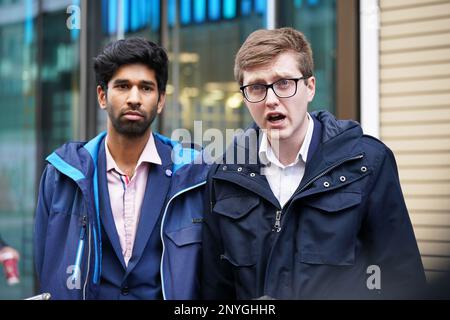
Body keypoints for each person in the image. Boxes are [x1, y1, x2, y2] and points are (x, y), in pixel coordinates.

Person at [201, 28, 426, 299]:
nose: (271, 100)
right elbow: (215, 288)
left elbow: (400, 278)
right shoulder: (223, 176)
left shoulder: (367, 163)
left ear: (310, 87)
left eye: (284, 83)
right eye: (257, 87)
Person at [34, 37, 208, 300]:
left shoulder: (193, 175)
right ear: (102, 96)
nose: (134, 98)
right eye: (123, 86)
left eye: (146, 88)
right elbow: (45, 264)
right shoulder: (62, 175)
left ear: (161, 101)